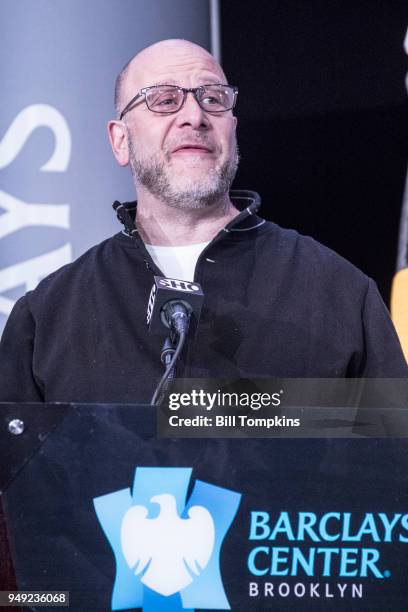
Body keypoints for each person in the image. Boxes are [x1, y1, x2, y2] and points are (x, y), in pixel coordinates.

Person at [0, 39, 406, 403]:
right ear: (120, 140)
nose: (194, 115)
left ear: (233, 129)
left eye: (213, 98)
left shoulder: (337, 292)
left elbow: (389, 467)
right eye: (163, 99)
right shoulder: (48, 315)